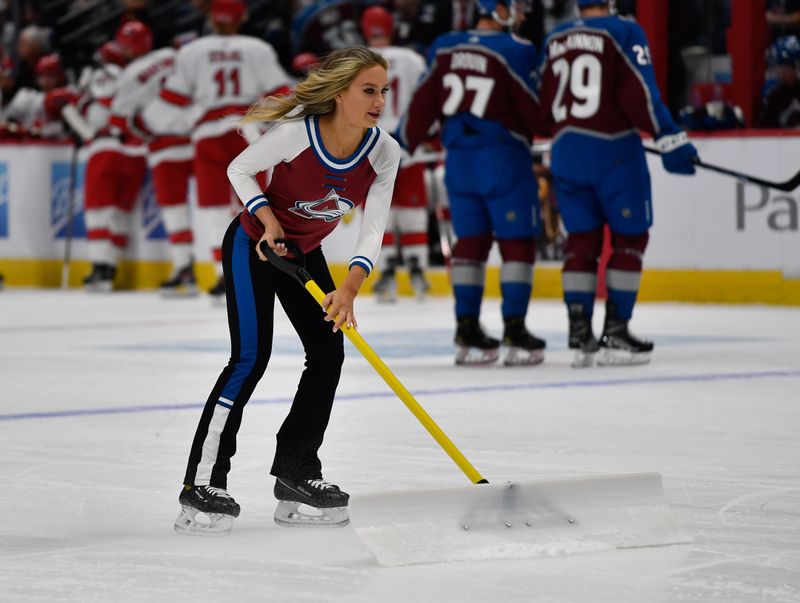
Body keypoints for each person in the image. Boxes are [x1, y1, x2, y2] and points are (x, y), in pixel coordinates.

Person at [174, 47, 401, 535]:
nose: (379, 100)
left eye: (384, 90)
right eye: (369, 90)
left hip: (302, 254)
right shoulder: (299, 134)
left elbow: (373, 229)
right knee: (251, 357)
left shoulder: (385, 151)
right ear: (340, 93)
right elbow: (239, 168)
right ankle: (202, 482)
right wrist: (268, 218)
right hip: (254, 244)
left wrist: (350, 287)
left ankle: (297, 473)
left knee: (327, 352)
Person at [537, 0, 699, 367]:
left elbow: (543, 102)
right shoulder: (625, 30)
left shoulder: (556, 37)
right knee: (630, 238)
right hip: (614, 150)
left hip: (565, 150)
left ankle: (579, 335)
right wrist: (669, 136)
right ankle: (616, 332)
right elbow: (641, 90)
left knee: (580, 242)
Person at [399, 0, 546, 366]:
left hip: (459, 162)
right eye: (518, 6)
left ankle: (466, 327)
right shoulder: (516, 49)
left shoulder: (445, 45)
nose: (523, 14)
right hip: (503, 160)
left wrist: (405, 140)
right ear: (497, 8)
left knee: (470, 245)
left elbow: (421, 103)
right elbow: (536, 113)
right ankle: (515, 328)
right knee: (517, 245)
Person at [143, 0, 293, 303]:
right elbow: (281, 95)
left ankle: (225, 273)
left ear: (212, 17)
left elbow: (171, 101)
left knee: (211, 206)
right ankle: (260, 267)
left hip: (208, 132)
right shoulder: (257, 48)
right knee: (255, 202)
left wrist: (151, 123)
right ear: (242, 17)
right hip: (249, 131)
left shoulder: (192, 51)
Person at [361, 6, 431, 302]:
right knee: (412, 210)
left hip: (371, 145)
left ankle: (386, 271)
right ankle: (418, 272)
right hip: (407, 145)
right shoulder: (412, 59)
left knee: (380, 211)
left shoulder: (356, 60)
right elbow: (426, 101)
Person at [758, 35, 800, 128]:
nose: (781, 75)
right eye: (779, 70)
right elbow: (763, 130)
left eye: (785, 70)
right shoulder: (775, 97)